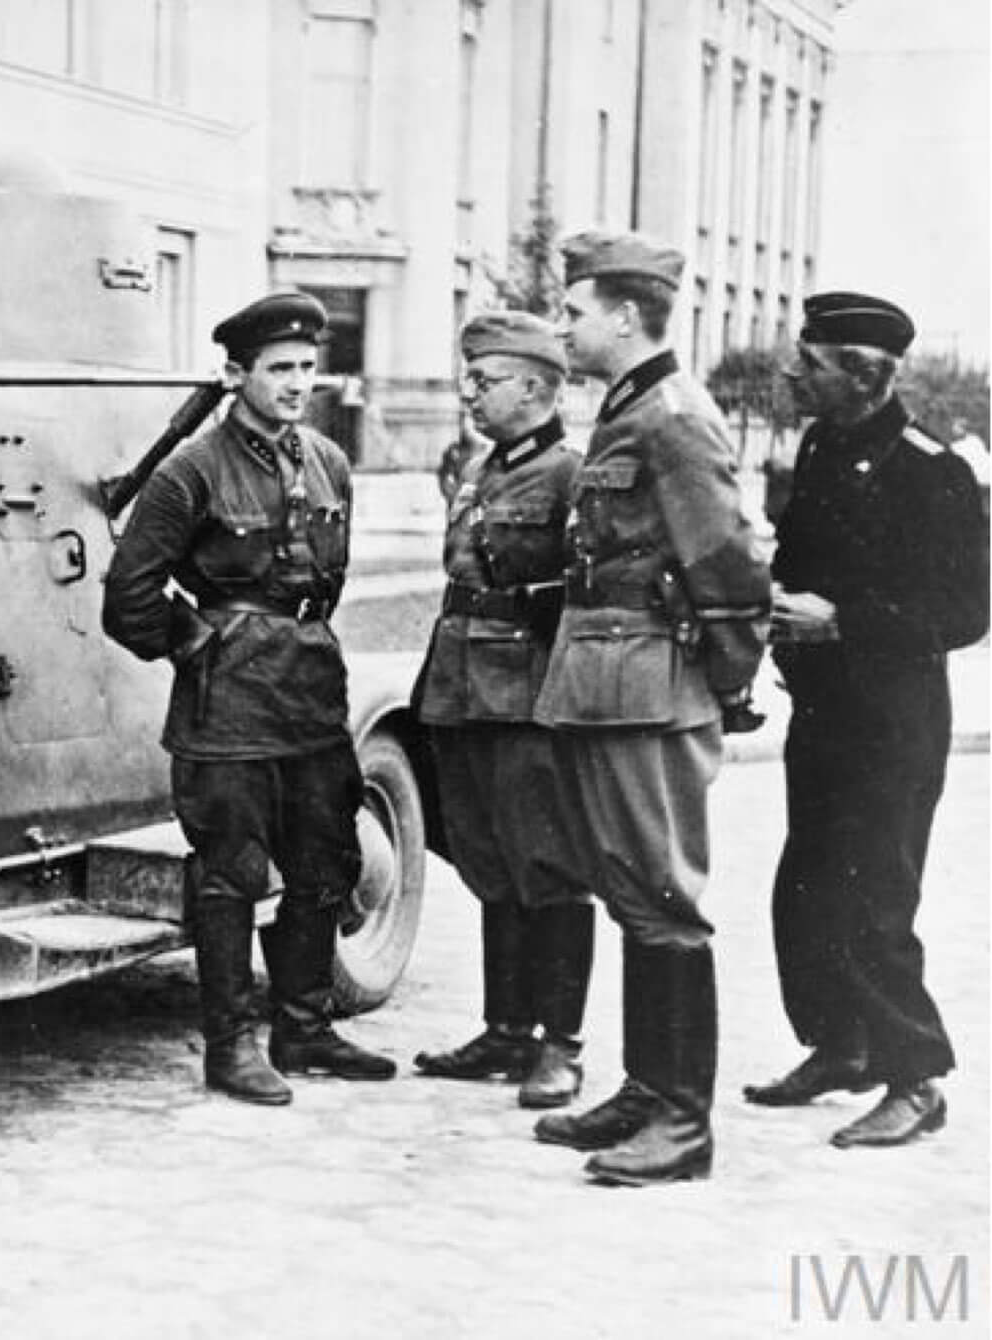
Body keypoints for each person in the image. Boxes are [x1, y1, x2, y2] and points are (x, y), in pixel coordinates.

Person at [103, 291, 395, 1106]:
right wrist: (201, 645)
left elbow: (324, 581)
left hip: (309, 693)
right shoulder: (189, 470)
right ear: (237, 375)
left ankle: (302, 1025)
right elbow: (127, 594)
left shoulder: (328, 462)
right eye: (280, 370)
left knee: (325, 860)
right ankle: (230, 1044)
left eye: (308, 368)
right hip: (226, 705)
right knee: (230, 874)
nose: (299, 384)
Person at [530, 232, 770, 1186]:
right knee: (632, 894)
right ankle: (646, 1086)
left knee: (665, 900)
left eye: (576, 312)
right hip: (607, 686)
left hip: (651, 692)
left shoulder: (673, 417)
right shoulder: (630, 407)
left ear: (625, 317)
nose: (565, 328)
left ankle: (683, 1121)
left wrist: (728, 676)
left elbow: (728, 561)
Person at [743, 292, 989, 1147]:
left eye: (808, 362)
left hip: (894, 723)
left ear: (864, 373)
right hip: (824, 710)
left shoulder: (935, 472)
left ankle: (915, 1077)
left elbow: (967, 612)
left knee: (875, 897)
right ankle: (840, 1046)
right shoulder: (819, 447)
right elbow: (797, 555)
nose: (790, 372)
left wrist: (843, 620)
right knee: (804, 889)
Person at [410, 311, 593, 1110]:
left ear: (538, 387)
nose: (470, 392)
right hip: (461, 690)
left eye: (486, 381)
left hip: (526, 698)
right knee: (490, 864)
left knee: (546, 869)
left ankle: (561, 1043)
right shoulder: (482, 467)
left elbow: (578, 601)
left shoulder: (571, 474)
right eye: (471, 378)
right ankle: (507, 1029)